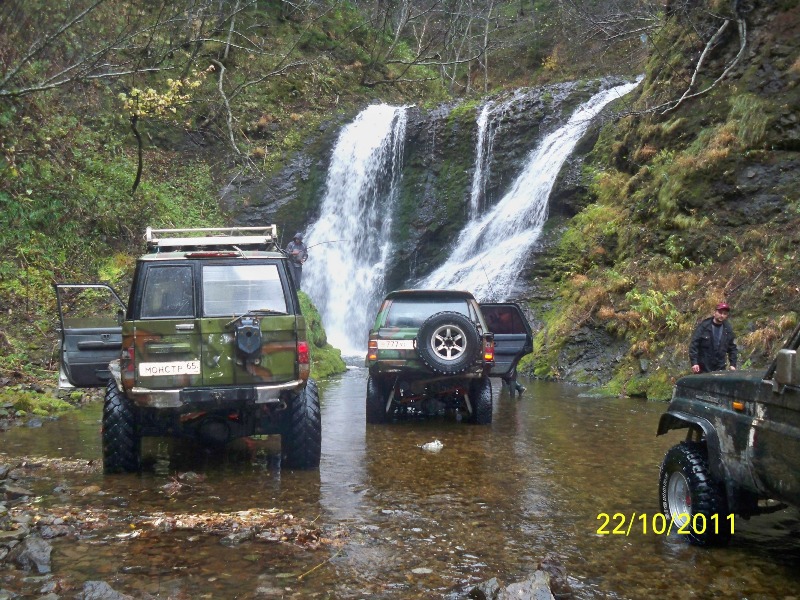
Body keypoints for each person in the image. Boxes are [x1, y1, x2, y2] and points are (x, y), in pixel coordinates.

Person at [689, 302, 738, 373]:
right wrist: (694, 363)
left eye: (725, 314)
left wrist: (733, 364)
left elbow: (732, 348)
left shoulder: (727, 329)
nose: (722, 315)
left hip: (720, 367)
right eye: (720, 312)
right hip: (703, 367)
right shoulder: (704, 326)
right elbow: (694, 344)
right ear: (714, 312)